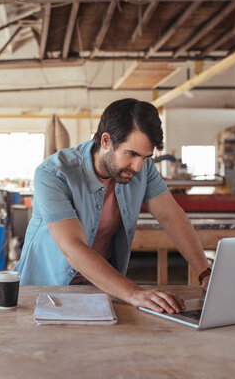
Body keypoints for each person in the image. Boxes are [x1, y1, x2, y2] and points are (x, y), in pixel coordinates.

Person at [14, 98, 211, 314]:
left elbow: (172, 217)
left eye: (146, 157)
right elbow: (73, 248)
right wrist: (133, 293)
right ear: (106, 141)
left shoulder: (142, 169)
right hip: (44, 289)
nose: (138, 166)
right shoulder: (53, 174)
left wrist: (205, 274)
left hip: (99, 288)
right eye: (132, 154)